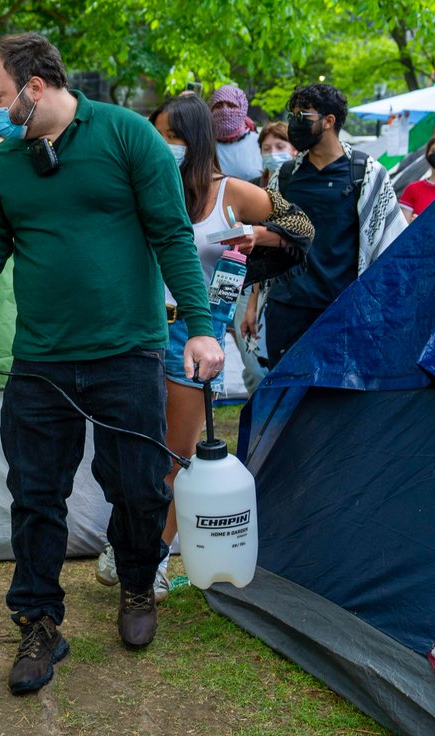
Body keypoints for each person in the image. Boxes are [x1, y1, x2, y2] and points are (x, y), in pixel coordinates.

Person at [0, 32, 223, 695]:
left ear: (36, 86)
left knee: (137, 487)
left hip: (128, 352)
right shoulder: (7, 166)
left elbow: (171, 235)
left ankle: (135, 587)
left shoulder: (128, 137)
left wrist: (202, 328)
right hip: (40, 361)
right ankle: (39, 621)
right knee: (36, 495)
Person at [94, 93, 283, 601]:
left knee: (175, 454)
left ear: (196, 140)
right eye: (156, 134)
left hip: (193, 333)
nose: (162, 145)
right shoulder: (137, 186)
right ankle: (125, 540)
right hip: (132, 329)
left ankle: (154, 554)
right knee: (125, 451)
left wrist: (255, 236)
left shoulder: (231, 192)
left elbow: (301, 226)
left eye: (173, 136)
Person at [263, 83, 406, 368]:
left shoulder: (366, 173)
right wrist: (252, 307)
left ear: (329, 121)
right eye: (293, 115)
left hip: (342, 309)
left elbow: (391, 242)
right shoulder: (285, 175)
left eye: (303, 115)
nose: (294, 123)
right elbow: (266, 241)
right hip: (287, 308)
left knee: (333, 402)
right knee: (285, 400)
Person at [236, 122, 298, 388]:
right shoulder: (252, 189)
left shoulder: (298, 189)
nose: (273, 153)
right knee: (253, 365)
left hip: (288, 288)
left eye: (280, 146)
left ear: (294, 150)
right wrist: (252, 304)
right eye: (267, 148)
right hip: (252, 285)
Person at [209, 84, 263, 181]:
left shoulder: (260, 142)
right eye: (218, 105)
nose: (225, 110)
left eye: (231, 105)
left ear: (243, 109)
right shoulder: (204, 144)